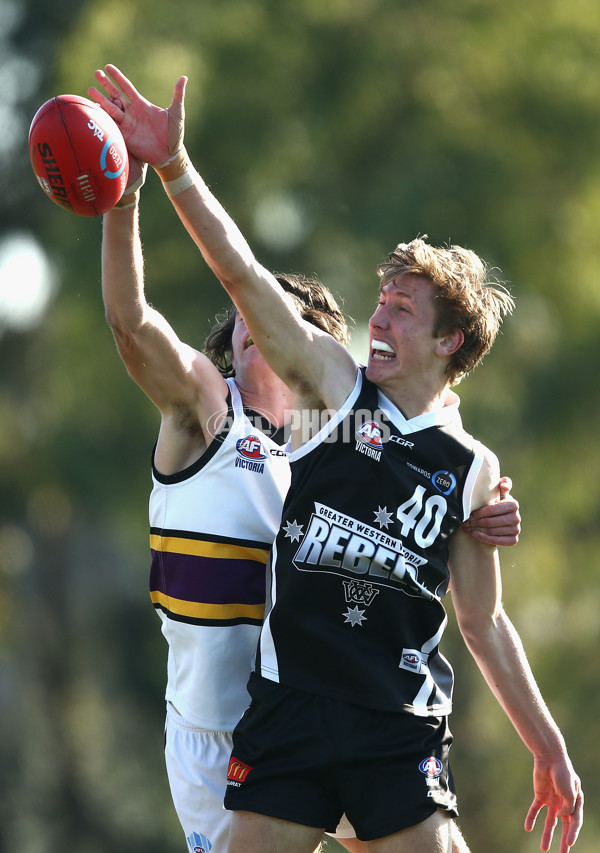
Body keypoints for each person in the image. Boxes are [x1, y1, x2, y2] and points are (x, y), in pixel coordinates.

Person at [91, 68, 530, 853]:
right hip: (224, 724)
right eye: (259, 320)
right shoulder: (209, 412)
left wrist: (477, 507)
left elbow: (425, 479)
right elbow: (145, 317)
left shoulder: (342, 438)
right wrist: (141, 185)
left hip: (326, 705)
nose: (271, 326)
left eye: (297, 320)